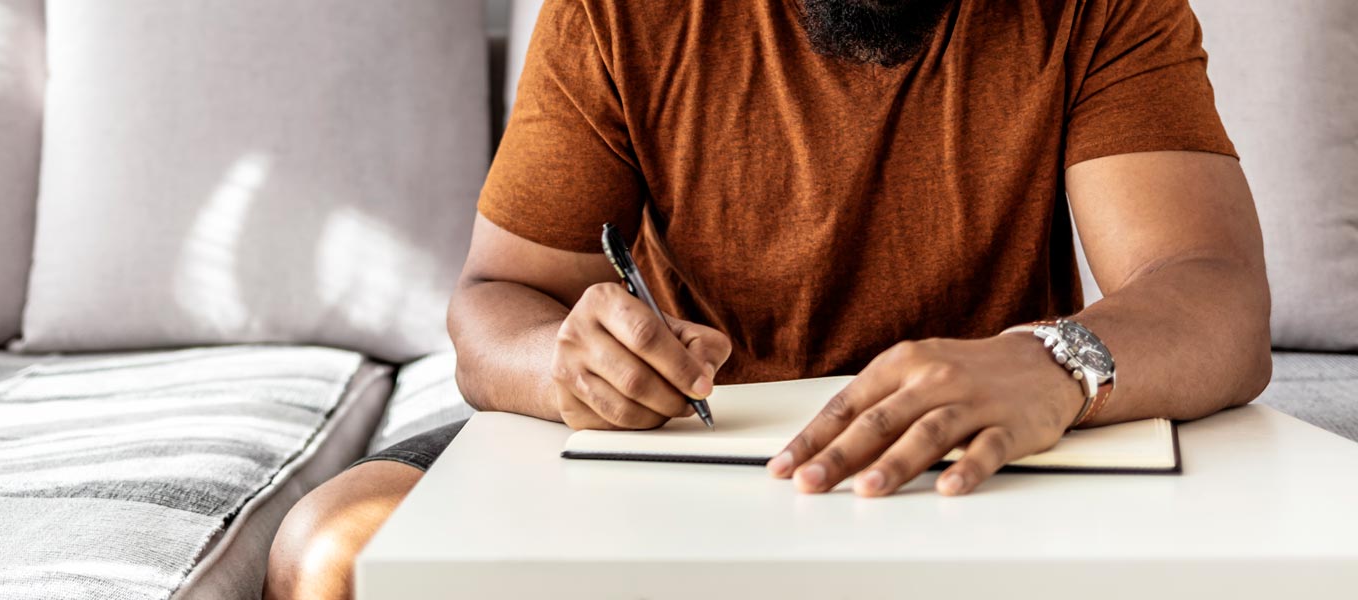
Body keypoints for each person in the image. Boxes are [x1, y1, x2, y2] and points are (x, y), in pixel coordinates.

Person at [264, 0, 1272, 598]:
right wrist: (563, 361)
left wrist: (1052, 361)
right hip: (679, 465)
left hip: (978, 472)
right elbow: (498, 301)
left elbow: (1213, 292)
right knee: (337, 547)